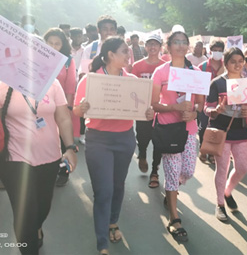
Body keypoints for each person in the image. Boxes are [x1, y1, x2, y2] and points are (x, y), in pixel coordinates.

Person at [0, 78, 77, 255]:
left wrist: (70, 148)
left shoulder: (52, 83)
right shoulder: (1, 85)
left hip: (50, 158)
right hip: (15, 160)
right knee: (25, 217)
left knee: (42, 208)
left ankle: (36, 227)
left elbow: (63, 117)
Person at [74, 37, 154, 255]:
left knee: (118, 185)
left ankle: (113, 222)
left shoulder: (132, 81)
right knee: (104, 190)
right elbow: (76, 111)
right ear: (110, 55)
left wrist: (149, 113)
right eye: (124, 52)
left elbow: (144, 110)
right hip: (98, 140)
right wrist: (82, 107)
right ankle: (102, 243)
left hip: (125, 139)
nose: (129, 56)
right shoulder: (91, 80)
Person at [151, 30, 204, 243]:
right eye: (176, 42)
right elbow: (154, 104)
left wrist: (194, 112)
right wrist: (175, 107)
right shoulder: (161, 72)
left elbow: (201, 103)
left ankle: (171, 191)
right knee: (172, 173)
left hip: (189, 130)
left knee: (188, 171)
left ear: (188, 46)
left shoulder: (196, 71)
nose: (180, 45)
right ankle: (174, 217)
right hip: (168, 129)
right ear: (169, 46)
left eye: (184, 42)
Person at [205, 47, 247, 222]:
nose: (237, 65)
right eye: (233, 61)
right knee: (222, 168)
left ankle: (227, 192)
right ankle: (220, 203)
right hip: (221, 130)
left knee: (243, 167)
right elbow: (207, 108)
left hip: (240, 130)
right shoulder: (217, 83)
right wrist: (216, 110)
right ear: (226, 63)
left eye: (240, 61)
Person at [131, 33, 166, 188]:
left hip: (160, 110)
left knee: (159, 141)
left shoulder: (167, 66)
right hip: (142, 110)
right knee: (143, 138)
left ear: (160, 47)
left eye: (156, 44)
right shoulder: (137, 66)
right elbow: (132, 88)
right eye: (149, 44)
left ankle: (154, 172)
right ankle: (143, 155)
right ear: (145, 46)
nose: (152, 47)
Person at [44, 28, 78, 187]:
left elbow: (71, 86)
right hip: (41, 106)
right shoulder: (37, 58)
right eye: (50, 43)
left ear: (62, 45)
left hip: (61, 106)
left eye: (57, 44)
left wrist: (69, 108)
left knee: (63, 139)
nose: (53, 46)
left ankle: (63, 172)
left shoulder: (68, 61)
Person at [197, 40, 225, 164]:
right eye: (215, 50)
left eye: (220, 50)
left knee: (217, 128)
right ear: (210, 51)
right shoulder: (202, 67)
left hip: (221, 103)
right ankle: (203, 149)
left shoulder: (227, 67)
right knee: (203, 128)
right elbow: (196, 85)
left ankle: (212, 152)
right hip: (204, 103)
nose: (217, 53)